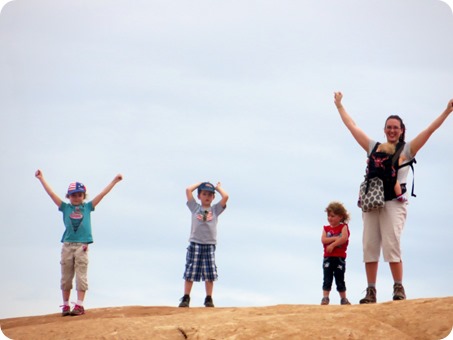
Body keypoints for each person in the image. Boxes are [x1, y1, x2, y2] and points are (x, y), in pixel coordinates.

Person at [334, 92, 453, 303]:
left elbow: (429, 130)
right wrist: (339, 106)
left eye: (395, 127)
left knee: (392, 244)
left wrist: (447, 111)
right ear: (384, 129)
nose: (391, 130)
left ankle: (398, 288)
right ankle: (371, 291)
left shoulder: (408, 149)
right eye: (388, 127)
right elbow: (352, 127)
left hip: (394, 204)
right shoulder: (374, 147)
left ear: (401, 131)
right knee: (369, 245)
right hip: (372, 203)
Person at [35, 169, 123, 316]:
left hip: (82, 245)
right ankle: (65, 305)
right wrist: (41, 178)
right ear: (68, 196)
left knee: (81, 276)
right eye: (73, 195)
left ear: (84, 196)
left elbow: (102, 194)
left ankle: (79, 305)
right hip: (67, 245)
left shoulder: (87, 207)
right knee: (66, 277)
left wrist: (115, 181)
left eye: (79, 195)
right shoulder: (65, 207)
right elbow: (51, 194)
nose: (76, 197)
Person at [178, 181, 229, 308]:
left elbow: (226, 197)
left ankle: (209, 298)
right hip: (195, 243)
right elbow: (188, 190)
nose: (207, 196)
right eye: (204, 194)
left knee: (209, 272)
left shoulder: (215, 210)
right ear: (199, 196)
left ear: (213, 197)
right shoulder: (195, 208)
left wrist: (218, 188)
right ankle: (186, 297)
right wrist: (200, 183)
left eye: (210, 194)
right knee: (191, 271)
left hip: (209, 245)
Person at [321, 201, 351, 305]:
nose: (330, 218)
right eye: (328, 215)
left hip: (339, 258)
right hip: (328, 258)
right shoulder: (326, 228)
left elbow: (344, 238)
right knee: (327, 278)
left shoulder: (343, 227)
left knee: (340, 278)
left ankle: (343, 299)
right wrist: (334, 239)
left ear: (340, 217)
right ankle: (325, 297)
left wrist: (333, 245)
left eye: (333, 216)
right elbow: (323, 240)